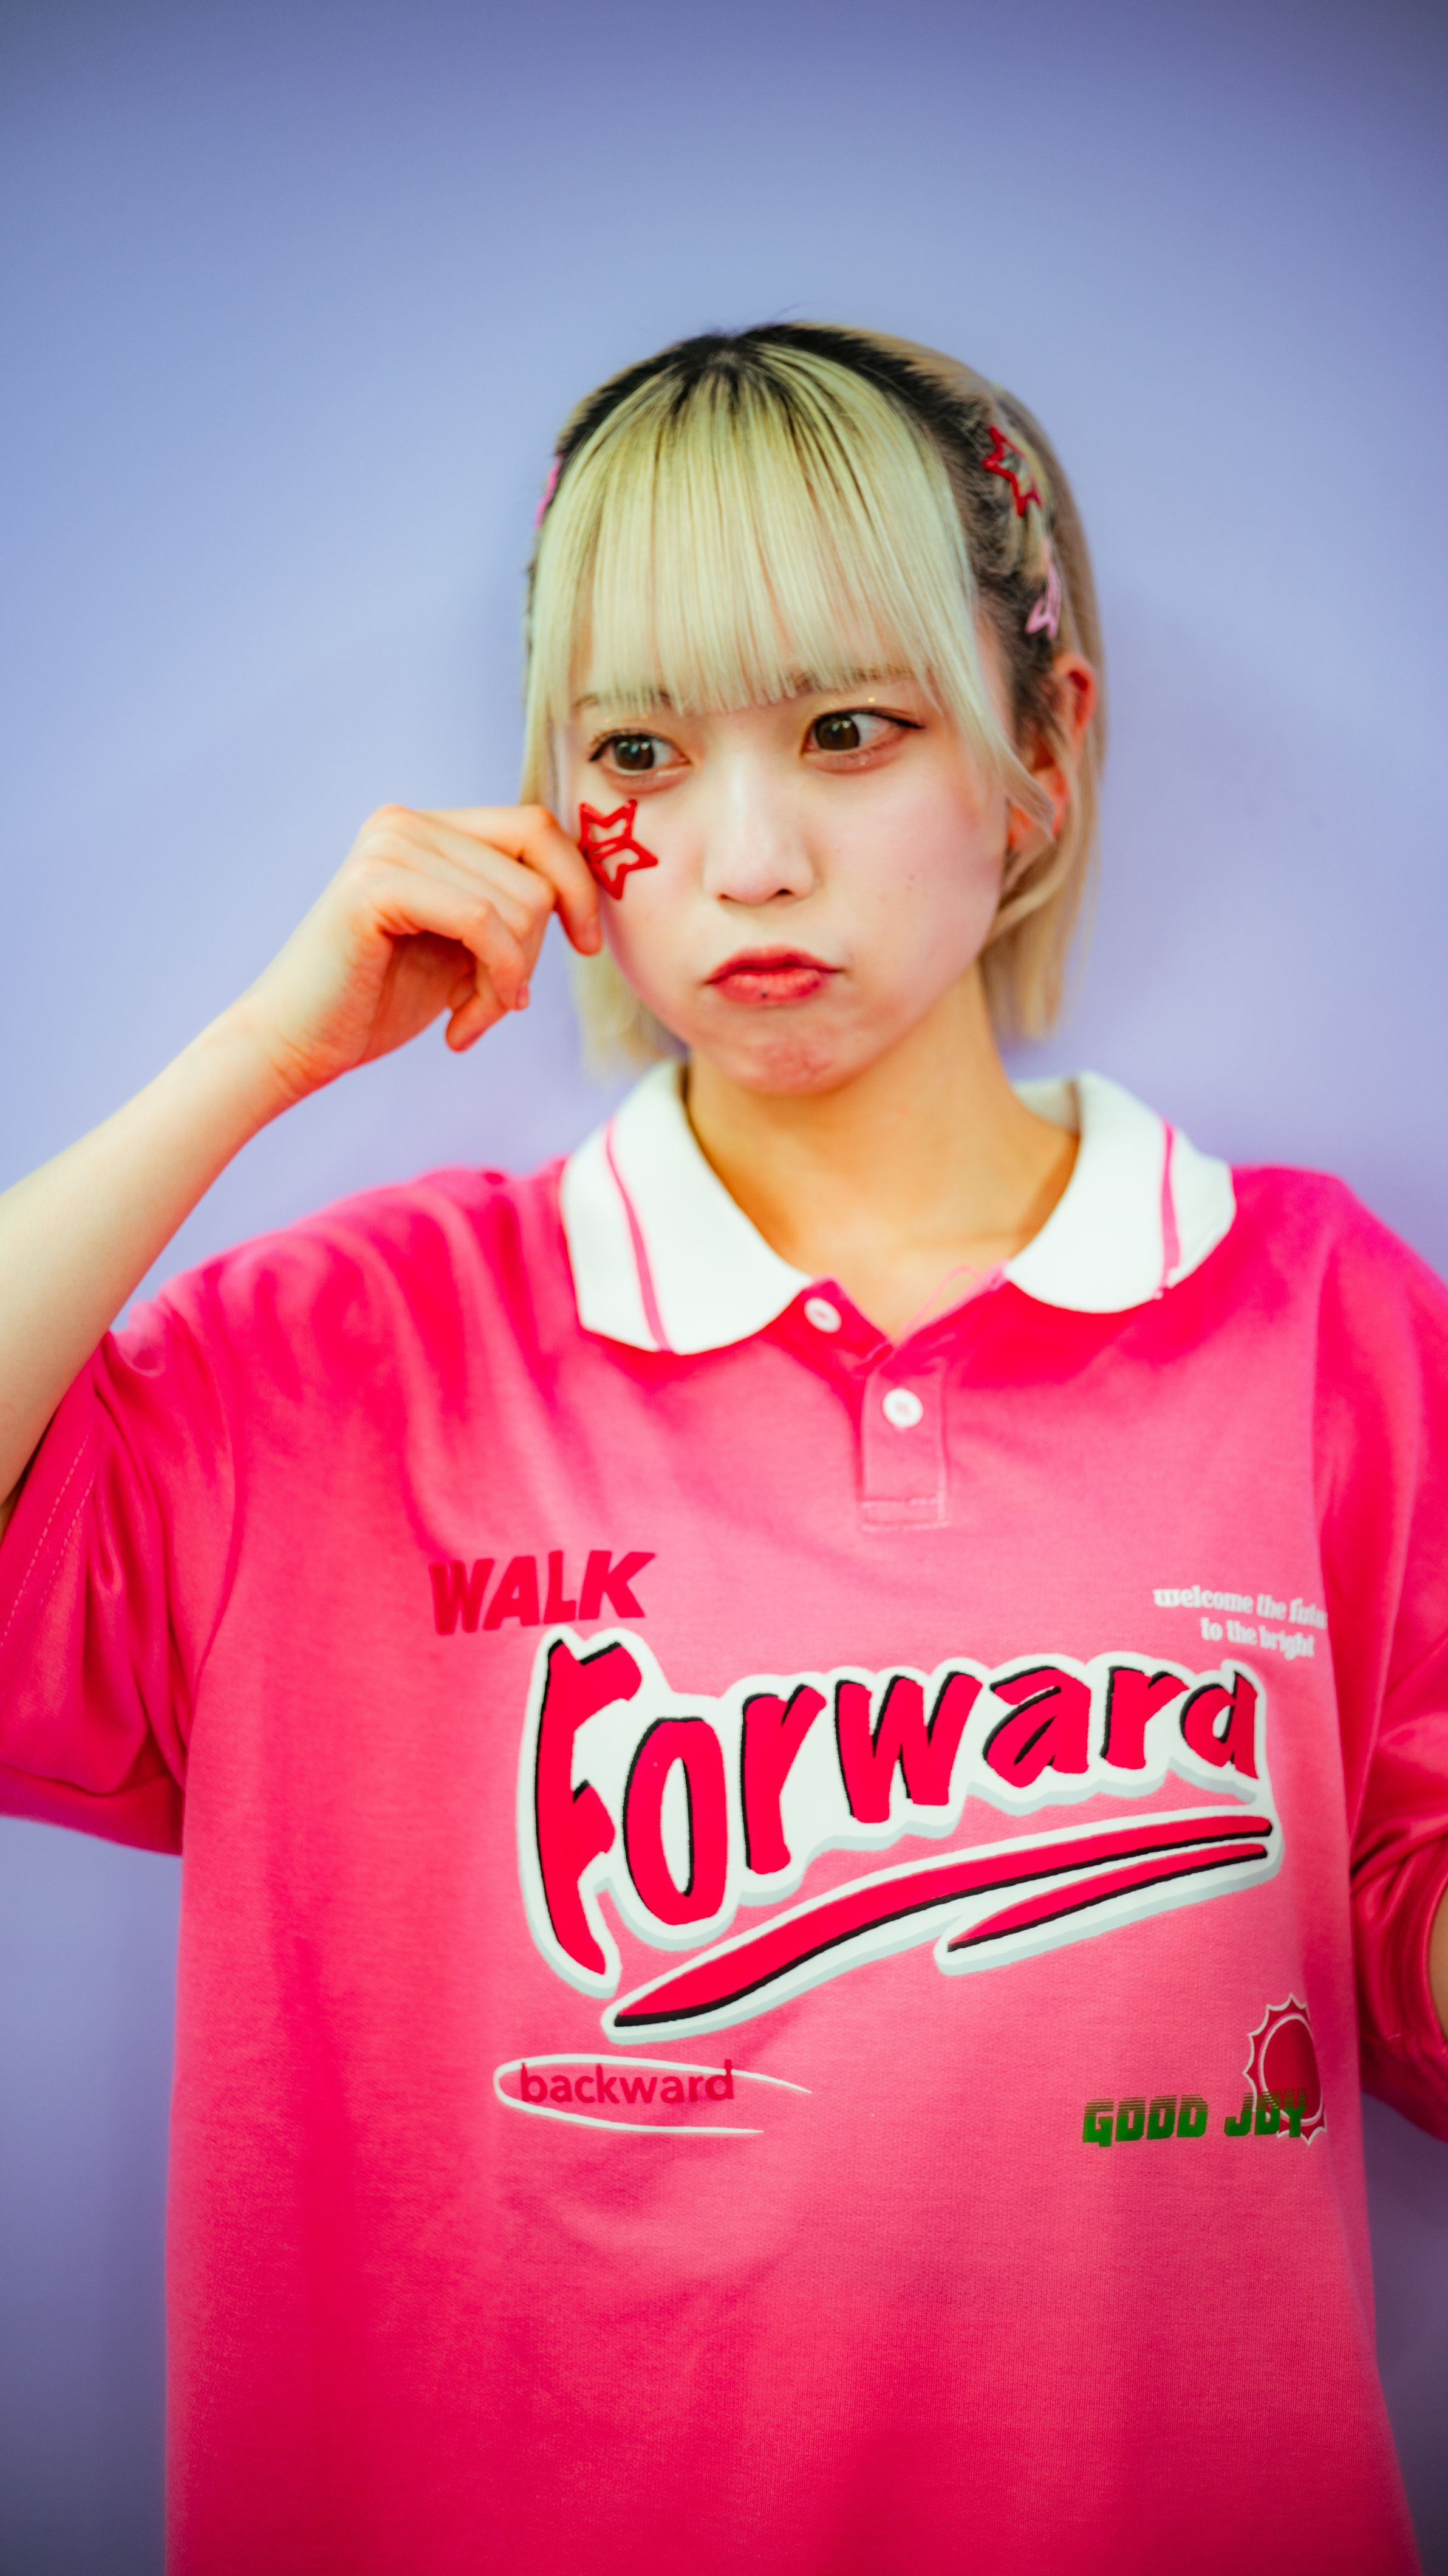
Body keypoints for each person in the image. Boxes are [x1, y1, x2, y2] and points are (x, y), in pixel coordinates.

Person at [1, 324, 1444, 2576]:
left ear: (1043, 751)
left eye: (851, 731)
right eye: (639, 751)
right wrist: (258, 1055)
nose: (748, 857)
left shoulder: (1320, 1322)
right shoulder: (340, 1356)